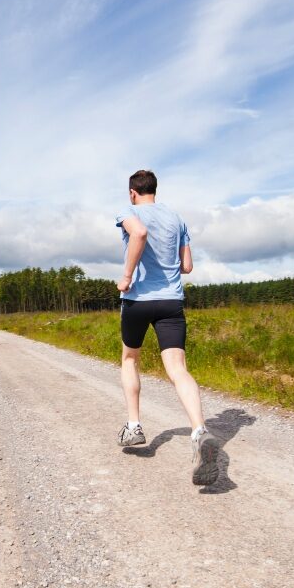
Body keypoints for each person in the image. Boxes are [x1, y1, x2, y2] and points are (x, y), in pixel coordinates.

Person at [114, 169, 219, 486]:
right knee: (178, 368)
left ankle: (134, 427)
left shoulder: (129, 212)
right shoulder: (177, 218)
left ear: (133, 192)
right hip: (171, 301)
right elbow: (186, 266)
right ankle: (200, 430)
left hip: (138, 300)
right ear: (154, 190)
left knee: (130, 359)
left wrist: (127, 276)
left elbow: (139, 234)